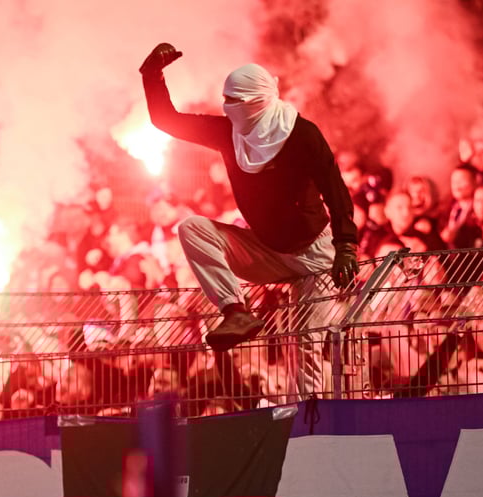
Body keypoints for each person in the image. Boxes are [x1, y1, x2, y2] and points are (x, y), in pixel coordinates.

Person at [139, 43, 359, 396]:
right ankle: (235, 311)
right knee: (191, 229)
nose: (229, 107)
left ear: (258, 100)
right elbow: (167, 120)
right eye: (226, 100)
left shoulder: (303, 135)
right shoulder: (229, 133)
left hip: (313, 255)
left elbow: (336, 189)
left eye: (236, 100)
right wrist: (152, 76)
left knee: (303, 343)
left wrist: (346, 245)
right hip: (264, 249)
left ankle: (312, 418)